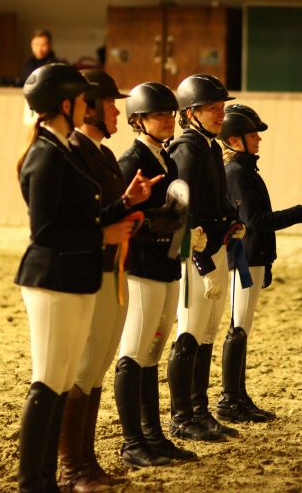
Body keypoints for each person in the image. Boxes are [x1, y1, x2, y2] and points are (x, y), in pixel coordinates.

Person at [15, 63, 151, 492]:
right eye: (81, 100)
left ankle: (48, 479)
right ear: (66, 105)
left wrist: (122, 206)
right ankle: (33, 482)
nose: (86, 106)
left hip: (74, 275)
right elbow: (46, 231)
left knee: (59, 384)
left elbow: (83, 215)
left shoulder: (63, 151)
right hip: (51, 278)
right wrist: (101, 236)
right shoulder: (45, 154)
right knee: (48, 382)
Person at [56, 68, 158, 490]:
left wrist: (130, 201)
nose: (117, 112)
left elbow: (104, 211)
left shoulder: (101, 154)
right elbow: (78, 218)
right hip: (90, 270)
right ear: (91, 108)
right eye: (111, 104)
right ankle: (71, 467)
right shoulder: (74, 152)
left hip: (115, 267)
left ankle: (88, 461)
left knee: (97, 368)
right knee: (83, 368)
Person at [216, 104, 302, 424]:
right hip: (243, 259)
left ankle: (239, 396)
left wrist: (268, 259)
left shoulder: (246, 170)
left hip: (253, 257)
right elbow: (257, 220)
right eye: (252, 135)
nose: (258, 140)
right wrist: (300, 212)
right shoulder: (237, 173)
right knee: (238, 327)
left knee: (243, 327)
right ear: (234, 141)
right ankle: (230, 399)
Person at [115, 81, 202, 467]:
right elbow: (124, 216)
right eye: (158, 115)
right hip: (141, 269)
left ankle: (153, 436)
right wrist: (159, 222)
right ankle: (132, 443)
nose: (168, 120)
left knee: (152, 353)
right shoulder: (131, 161)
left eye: (170, 114)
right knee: (133, 352)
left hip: (166, 266)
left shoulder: (166, 159)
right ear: (138, 120)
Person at [166, 74, 239, 441]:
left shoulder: (209, 147)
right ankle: (181, 416)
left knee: (207, 332)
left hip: (215, 246)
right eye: (213, 108)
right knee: (190, 333)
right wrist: (202, 261)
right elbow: (183, 209)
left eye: (221, 108)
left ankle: (200, 410)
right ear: (191, 112)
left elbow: (215, 198)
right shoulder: (187, 149)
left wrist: (232, 219)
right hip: (194, 253)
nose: (221, 114)